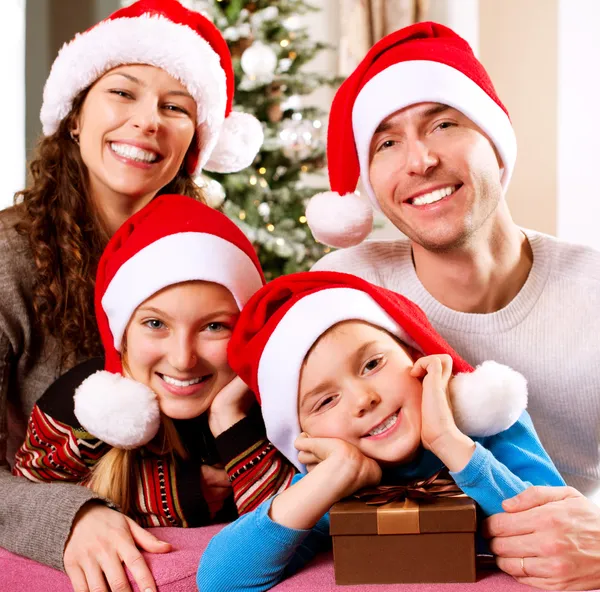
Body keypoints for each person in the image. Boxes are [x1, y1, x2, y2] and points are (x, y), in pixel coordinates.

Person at [305, 21, 600, 590]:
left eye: (443, 123)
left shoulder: (592, 291)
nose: (418, 162)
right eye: (386, 142)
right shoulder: (344, 288)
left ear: (495, 140)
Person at [0, 1, 279, 591]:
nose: (147, 121)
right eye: (122, 93)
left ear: (194, 142)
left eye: (174, 106)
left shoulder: (219, 261)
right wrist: (71, 516)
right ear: (75, 115)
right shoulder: (6, 261)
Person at [197, 270, 565, 591]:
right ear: (306, 436)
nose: (363, 399)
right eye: (325, 401)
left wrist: (448, 443)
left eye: (372, 364)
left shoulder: (494, 427)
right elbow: (220, 581)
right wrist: (336, 472)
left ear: (415, 355)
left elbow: (557, 535)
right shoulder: (331, 486)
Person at [13, 193, 296, 527]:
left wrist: (229, 416)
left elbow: (289, 531)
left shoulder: (274, 407)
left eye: (214, 326)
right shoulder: (81, 406)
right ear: (123, 332)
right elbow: (24, 509)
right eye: (156, 324)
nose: (182, 359)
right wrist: (174, 493)